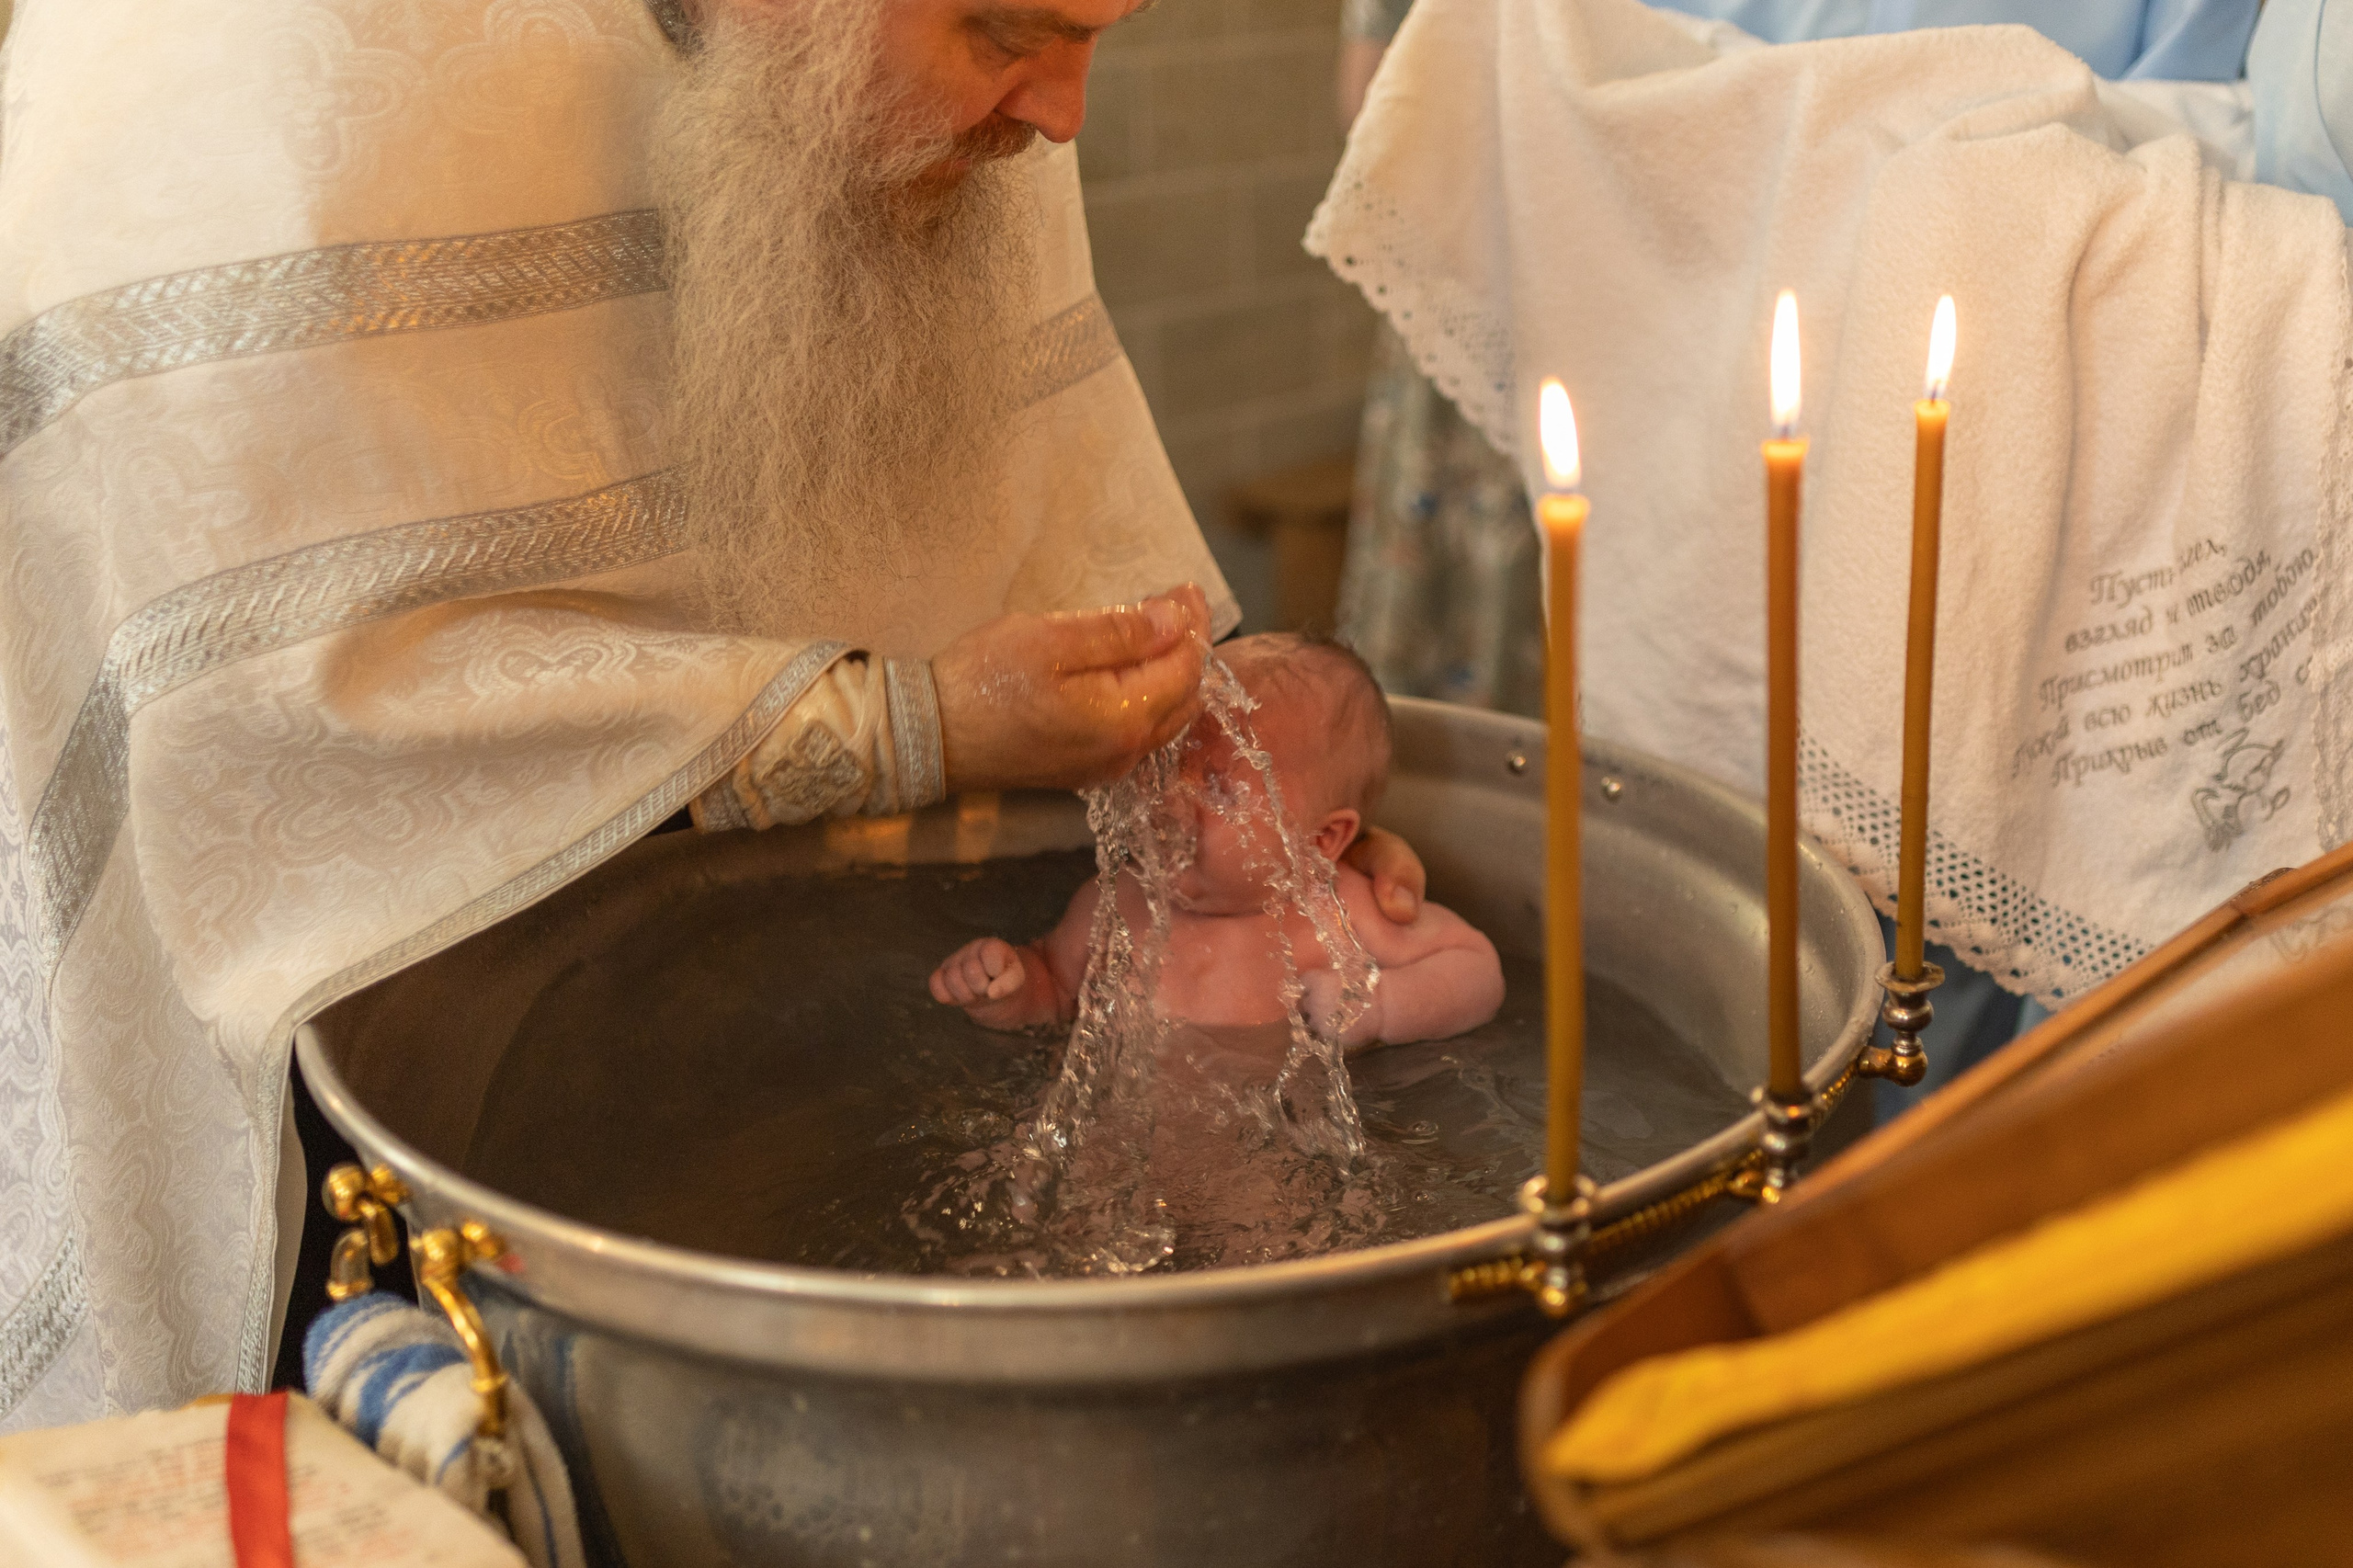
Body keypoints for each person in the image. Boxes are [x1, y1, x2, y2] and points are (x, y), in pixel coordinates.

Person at [0, 0, 1430, 1428]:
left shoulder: (953, 88)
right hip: (375, 1046)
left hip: (795, 1028)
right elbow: (270, 730)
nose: (1062, 118)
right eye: (1008, 32)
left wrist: (1271, 808)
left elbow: (1032, 508)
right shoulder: (266, 74)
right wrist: (901, 721)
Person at [930, 633, 1505, 1051]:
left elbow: (1476, 969)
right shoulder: (1116, 902)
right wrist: (1006, 989)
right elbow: (1055, 992)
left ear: (1322, 838)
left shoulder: (1336, 913)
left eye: (1221, 791)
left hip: (1265, 1160)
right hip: (1120, 1145)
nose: (1170, 805)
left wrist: (1381, 1009)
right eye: (1164, 769)